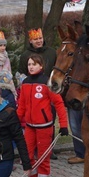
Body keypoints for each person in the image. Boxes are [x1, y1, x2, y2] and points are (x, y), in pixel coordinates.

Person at [17, 54, 69, 177]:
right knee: (26, 158)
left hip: (44, 128)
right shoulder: (25, 83)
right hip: (30, 127)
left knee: (43, 160)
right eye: (29, 64)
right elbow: (22, 106)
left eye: (34, 64)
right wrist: (13, 123)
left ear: (41, 66)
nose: (31, 67)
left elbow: (59, 104)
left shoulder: (47, 83)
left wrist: (63, 125)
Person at [18, 27, 60, 160]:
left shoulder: (52, 52)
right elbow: (21, 73)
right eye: (36, 39)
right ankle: (33, 149)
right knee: (32, 120)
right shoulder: (25, 55)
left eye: (40, 38)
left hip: (48, 89)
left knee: (49, 119)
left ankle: (49, 149)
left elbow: (57, 70)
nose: (39, 41)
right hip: (33, 91)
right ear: (30, 41)